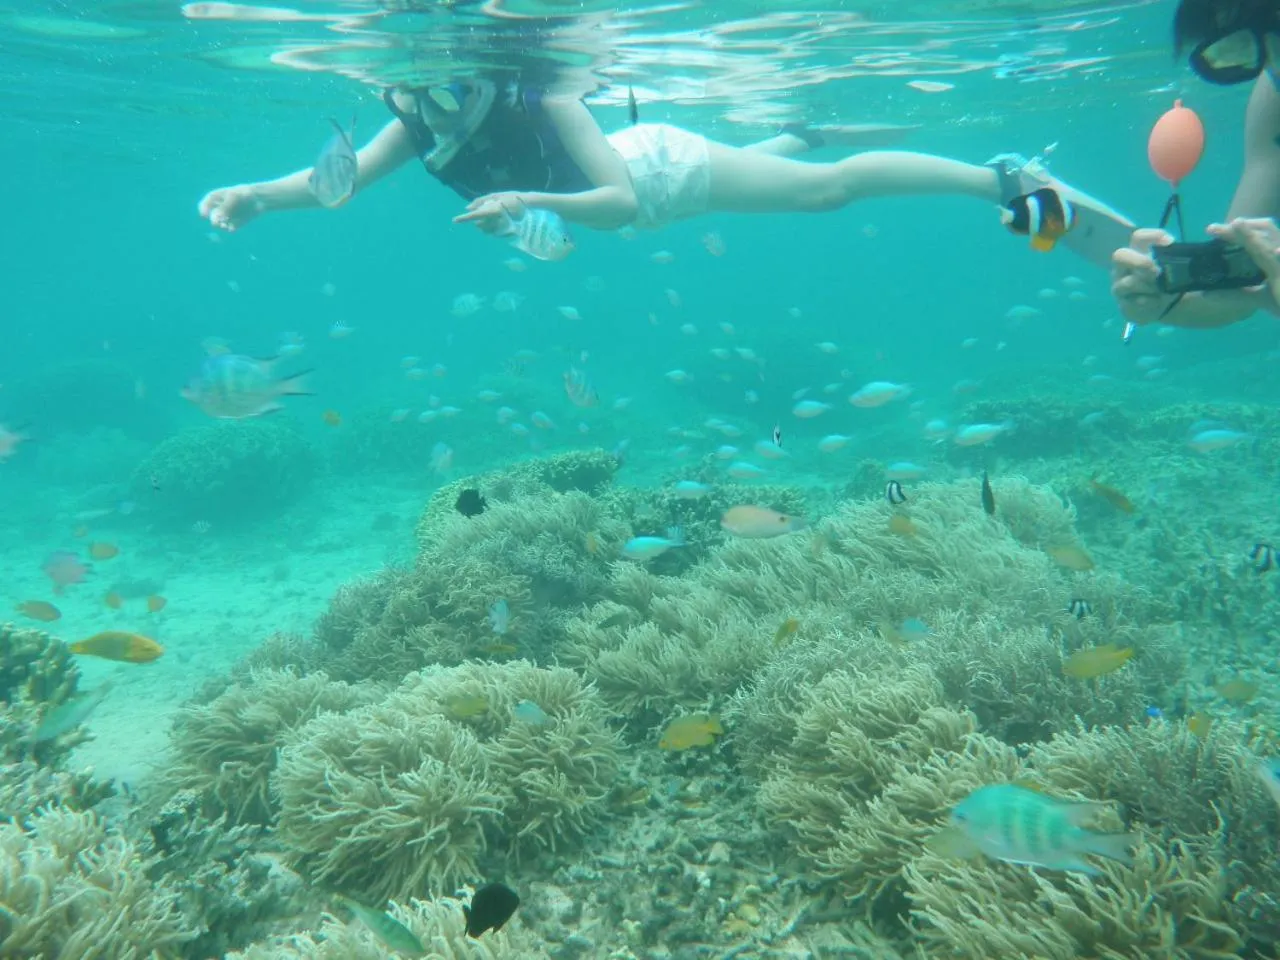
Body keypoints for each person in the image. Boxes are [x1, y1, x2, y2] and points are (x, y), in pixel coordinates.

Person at [199, 77, 1131, 269]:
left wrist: (525, 200)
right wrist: (258, 197)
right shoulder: (416, 124)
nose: (429, 101)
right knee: (769, 171)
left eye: (445, 84)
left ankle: (999, 179)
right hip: (641, 205)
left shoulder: (544, 92)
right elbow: (341, 182)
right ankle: (794, 130)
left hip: (653, 173)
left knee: (828, 193)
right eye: (411, 85)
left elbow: (611, 201)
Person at [1112, 0, 1280, 328]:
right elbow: (1238, 292)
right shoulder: (1274, 100)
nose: (1274, 68)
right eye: (1246, 48)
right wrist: (1162, 301)